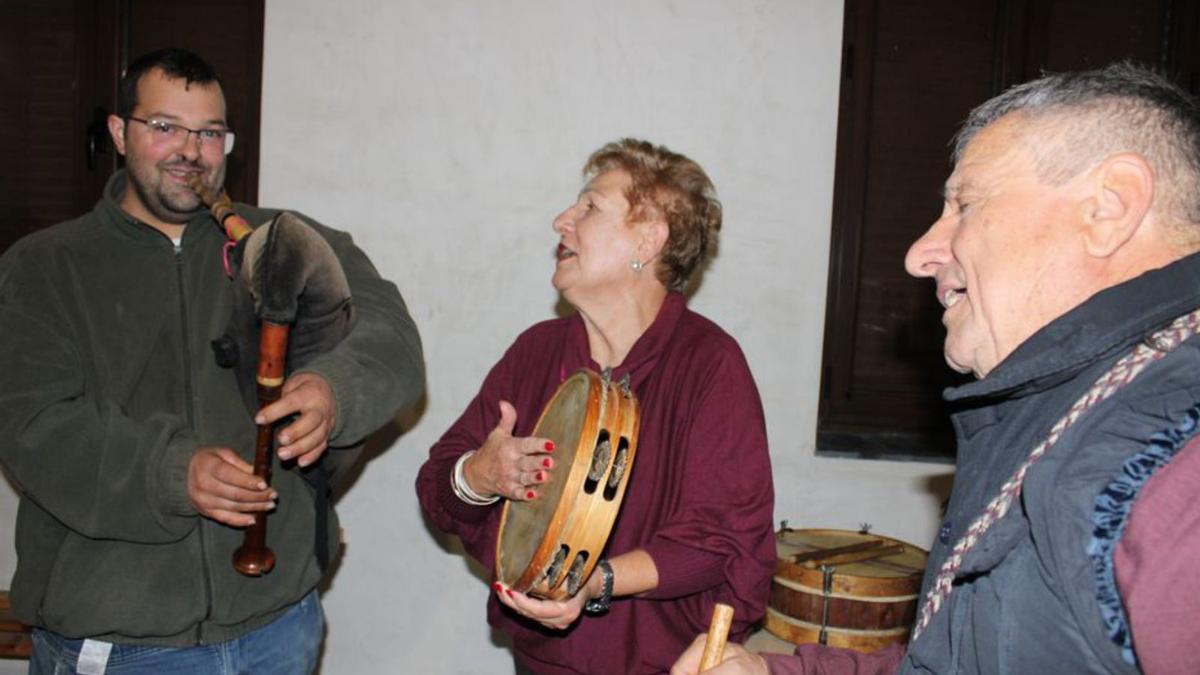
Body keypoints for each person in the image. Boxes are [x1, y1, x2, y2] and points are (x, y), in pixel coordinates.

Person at [673, 62, 1200, 675]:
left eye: (965, 204)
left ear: (1109, 208)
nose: (920, 254)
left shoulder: (1178, 468)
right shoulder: (1083, 406)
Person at [0, 48, 424, 674]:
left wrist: (334, 390)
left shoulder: (283, 240)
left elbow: (390, 336)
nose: (189, 152)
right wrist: (173, 473)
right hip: (121, 642)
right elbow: (33, 427)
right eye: (164, 127)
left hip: (278, 625)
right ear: (120, 133)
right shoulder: (42, 268)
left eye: (208, 133)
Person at [416, 138, 775, 673]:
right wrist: (479, 475)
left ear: (649, 240)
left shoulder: (709, 364)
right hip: (542, 662)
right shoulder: (535, 352)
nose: (562, 220)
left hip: (665, 665)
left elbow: (719, 538)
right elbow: (438, 484)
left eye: (590, 207)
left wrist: (594, 582)